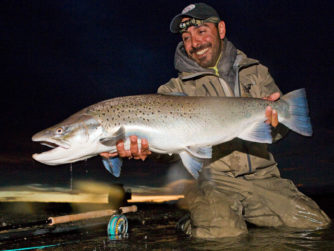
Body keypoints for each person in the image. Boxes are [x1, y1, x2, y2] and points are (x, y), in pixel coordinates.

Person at [101, 3, 331, 238]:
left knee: (315, 225)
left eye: (202, 31)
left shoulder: (257, 72)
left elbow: (278, 133)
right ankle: (193, 223)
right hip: (213, 181)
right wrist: (147, 150)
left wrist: (277, 124)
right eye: (187, 37)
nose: (195, 43)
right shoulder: (173, 91)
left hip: (264, 178)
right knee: (222, 234)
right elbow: (169, 148)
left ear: (221, 29)